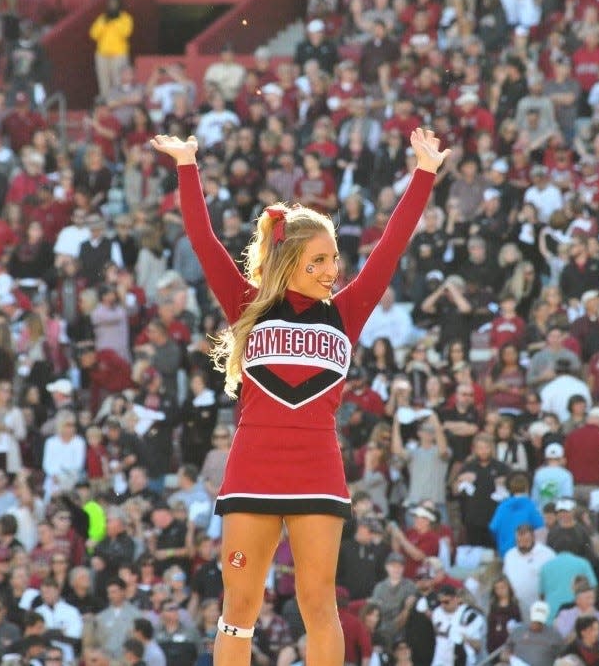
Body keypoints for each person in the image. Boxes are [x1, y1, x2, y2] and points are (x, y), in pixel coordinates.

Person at [150, 128, 447, 666]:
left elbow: (391, 246)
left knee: (318, 603)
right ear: (289, 263)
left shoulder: (347, 311)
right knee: (238, 604)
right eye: (319, 262)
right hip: (252, 468)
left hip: (317, 468)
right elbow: (203, 241)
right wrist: (188, 166)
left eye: (334, 260)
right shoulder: (248, 304)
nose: (333, 271)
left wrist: (424, 172)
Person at [90, 0, 134, 99]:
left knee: (118, 81)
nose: (112, 5)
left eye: (114, 3)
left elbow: (126, 32)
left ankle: (118, 103)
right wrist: (105, 22)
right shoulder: (102, 18)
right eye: (110, 3)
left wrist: (115, 21)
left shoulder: (126, 18)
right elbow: (93, 34)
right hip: (102, 55)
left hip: (118, 54)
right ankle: (106, 103)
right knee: (104, 82)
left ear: (119, 4)